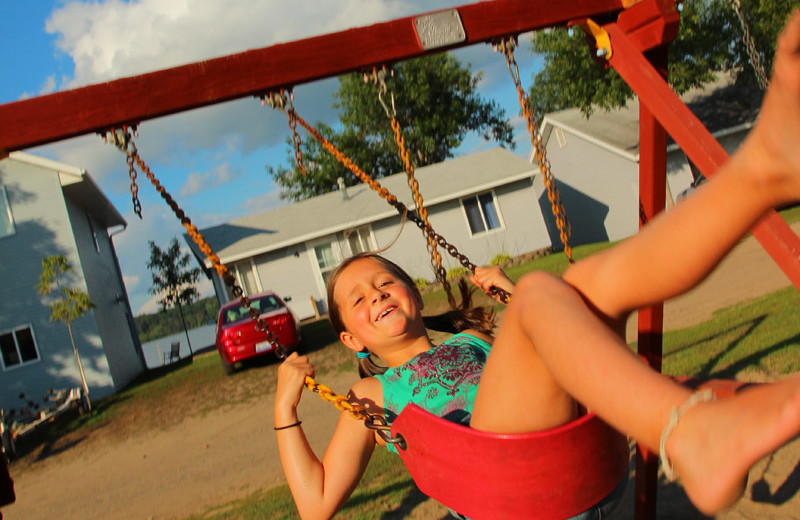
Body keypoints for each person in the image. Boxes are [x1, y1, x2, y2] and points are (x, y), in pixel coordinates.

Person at [275, 10, 800, 520]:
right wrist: (286, 411)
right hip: (505, 491)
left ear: (414, 292)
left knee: (583, 284)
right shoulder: (369, 396)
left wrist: (508, 291)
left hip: (581, 463)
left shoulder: (473, 341)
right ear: (351, 340)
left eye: (385, 282)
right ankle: (692, 432)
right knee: (546, 293)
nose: (378, 296)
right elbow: (316, 503)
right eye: (360, 301)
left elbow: (553, 354)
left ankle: (764, 173)